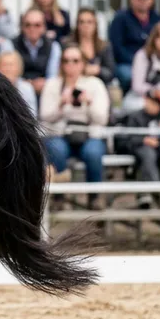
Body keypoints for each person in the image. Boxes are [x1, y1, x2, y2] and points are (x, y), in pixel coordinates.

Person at [39, 45, 110, 208]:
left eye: (75, 60)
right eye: (66, 60)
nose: (70, 64)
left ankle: (95, 197)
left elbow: (102, 118)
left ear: (83, 63)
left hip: (89, 134)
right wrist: (61, 104)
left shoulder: (95, 84)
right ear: (61, 63)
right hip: (60, 134)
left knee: (93, 152)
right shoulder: (52, 84)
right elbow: (44, 115)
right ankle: (59, 196)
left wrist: (89, 102)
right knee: (56, 149)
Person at [108, 0, 160, 92]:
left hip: (154, 63)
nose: (142, 0)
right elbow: (117, 48)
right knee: (128, 76)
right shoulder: (120, 19)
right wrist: (139, 63)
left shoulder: (158, 19)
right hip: (128, 63)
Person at [115, 92, 160, 209]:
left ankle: (150, 193)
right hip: (137, 149)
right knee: (148, 154)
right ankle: (156, 190)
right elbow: (127, 139)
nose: (152, 105)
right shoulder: (135, 116)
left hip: (159, 151)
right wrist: (144, 139)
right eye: (151, 101)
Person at [11, 8, 62, 95]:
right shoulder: (10, 45)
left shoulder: (54, 47)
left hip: (45, 91)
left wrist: (45, 84)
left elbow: (52, 76)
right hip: (17, 91)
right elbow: (8, 73)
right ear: (22, 27)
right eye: (28, 25)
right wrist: (28, 85)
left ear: (44, 27)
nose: (32, 28)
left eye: (37, 25)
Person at [69, 7, 116, 85]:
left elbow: (111, 74)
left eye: (89, 22)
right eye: (82, 22)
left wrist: (98, 70)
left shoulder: (104, 46)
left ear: (95, 24)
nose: (85, 25)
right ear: (77, 25)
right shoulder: (69, 45)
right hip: (74, 85)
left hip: (98, 86)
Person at [0, 50, 37, 117]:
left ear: (19, 68)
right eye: (4, 65)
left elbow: (32, 115)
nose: (8, 69)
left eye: (11, 65)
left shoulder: (27, 88)